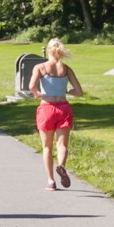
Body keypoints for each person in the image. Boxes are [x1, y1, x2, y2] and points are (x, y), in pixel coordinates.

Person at [28, 38, 84, 190]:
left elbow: (31, 86)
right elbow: (79, 92)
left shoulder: (40, 67)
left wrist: (37, 94)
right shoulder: (66, 69)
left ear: (48, 50)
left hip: (47, 108)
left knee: (47, 147)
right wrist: (65, 90)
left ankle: (51, 181)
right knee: (62, 145)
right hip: (63, 108)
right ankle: (61, 165)